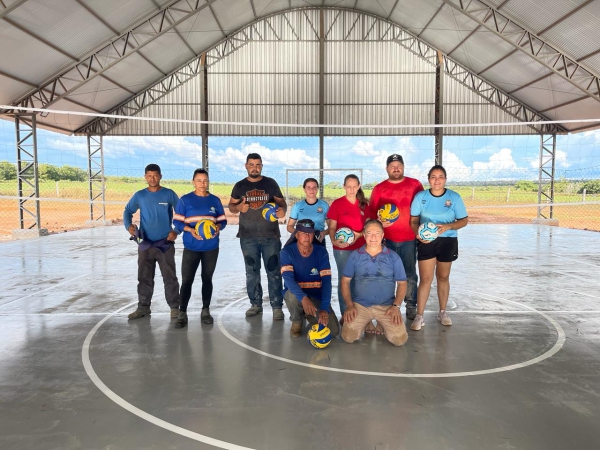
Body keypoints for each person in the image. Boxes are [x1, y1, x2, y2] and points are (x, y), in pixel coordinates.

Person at [409, 165, 468, 331]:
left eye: (440, 176)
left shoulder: (454, 197)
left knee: (443, 277)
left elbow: (464, 221)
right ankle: (419, 316)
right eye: (433, 177)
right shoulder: (421, 197)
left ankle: (442, 312)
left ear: (445, 179)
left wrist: (448, 227)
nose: (437, 180)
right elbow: (413, 221)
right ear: (429, 180)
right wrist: (418, 234)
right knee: (425, 278)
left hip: (447, 241)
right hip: (427, 242)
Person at [229, 153, 287, 320]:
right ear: (246, 166)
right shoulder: (239, 186)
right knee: (252, 272)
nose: (255, 167)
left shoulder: (270, 183)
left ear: (262, 166)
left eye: (258, 165)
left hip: (270, 236)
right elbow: (232, 207)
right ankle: (256, 304)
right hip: (248, 237)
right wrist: (239, 206)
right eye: (251, 164)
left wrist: (282, 209)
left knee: (274, 271)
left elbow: (281, 202)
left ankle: (277, 306)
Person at [368, 154, 424, 321]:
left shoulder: (414, 185)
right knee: (387, 273)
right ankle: (388, 305)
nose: (396, 168)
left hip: (409, 238)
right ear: (386, 169)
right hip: (387, 240)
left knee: (409, 273)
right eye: (392, 165)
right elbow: (372, 213)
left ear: (404, 166)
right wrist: (378, 223)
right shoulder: (379, 189)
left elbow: (423, 206)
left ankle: (411, 305)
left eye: (399, 164)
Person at [123, 163, 181, 320]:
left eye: (155, 175)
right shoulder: (140, 195)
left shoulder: (169, 194)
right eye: (149, 175)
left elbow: (182, 213)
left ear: (160, 176)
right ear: (145, 177)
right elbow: (127, 211)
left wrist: (176, 231)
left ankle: (175, 308)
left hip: (165, 244)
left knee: (170, 277)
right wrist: (128, 226)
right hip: (145, 244)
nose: (152, 178)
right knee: (144, 277)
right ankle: (143, 308)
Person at [172, 169, 227, 328]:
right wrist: (190, 230)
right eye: (199, 180)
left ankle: (205, 310)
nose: (202, 184)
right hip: (191, 247)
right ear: (193, 182)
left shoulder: (214, 201)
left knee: (207, 279)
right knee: (187, 280)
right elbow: (177, 222)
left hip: (211, 247)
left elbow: (223, 221)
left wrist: (217, 226)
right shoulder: (185, 200)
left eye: (205, 180)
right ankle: (182, 312)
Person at [340, 219, 408, 346]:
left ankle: (382, 323)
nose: (373, 237)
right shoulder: (355, 255)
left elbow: (402, 283)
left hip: (386, 306)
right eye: (369, 233)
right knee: (348, 336)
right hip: (361, 305)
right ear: (364, 235)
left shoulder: (393, 257)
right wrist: (349, 305)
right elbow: (345, 281)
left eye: (377, 233)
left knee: (400, 340)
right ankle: (366, 321)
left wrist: (396, 306)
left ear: (382, 236)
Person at [281, 219, 340, 338]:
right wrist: (303, 299)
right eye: (303, 233)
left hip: (316, 297)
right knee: (291, 295)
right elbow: (288, 280)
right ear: (296, 235)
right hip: (297, 296)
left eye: (310, 233)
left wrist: (324, 308)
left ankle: (308, 314)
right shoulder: (286, 252)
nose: (307, 236)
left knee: (333, 331)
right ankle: (297, 320)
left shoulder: (321, 252)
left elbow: (327, 282)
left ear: (314, 235)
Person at [327, 174, 368, 317]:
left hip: (361, 248)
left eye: (354, 186)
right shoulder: (337, 204)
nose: (351, 189)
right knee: (345, 279)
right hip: (342, 249)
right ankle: (345, 313)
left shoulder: (364, 205)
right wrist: (333, 240)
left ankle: (359, 312)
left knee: (359, 279)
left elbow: (369, 228)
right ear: (344, 187)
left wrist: (359, 234)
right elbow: (332, 227)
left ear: (359, 186)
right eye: (348, 186)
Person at [287, 178, 329, 247]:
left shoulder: (324, 205)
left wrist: (323, 233)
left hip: (318, 240)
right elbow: (289, 226)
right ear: (304, 189)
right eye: (308, 187)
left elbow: (331, 227)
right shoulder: (297, 206)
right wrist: (298, 233)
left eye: (314, 187)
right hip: (302, 240)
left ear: (317, 189)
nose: (311, 190)